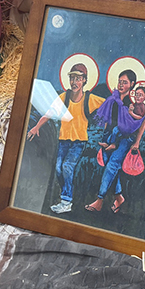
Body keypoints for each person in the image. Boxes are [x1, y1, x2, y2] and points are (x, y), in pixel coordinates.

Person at [27, 63, 104, 214]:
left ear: (84, 81)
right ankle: (65, 196)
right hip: (64, 141)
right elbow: (49, 113)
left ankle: (66, 201)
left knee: (68, 166)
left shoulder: (89, 98)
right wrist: (37, 127)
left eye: (78, 78)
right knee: (58, 168)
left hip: (78, 142)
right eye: (72, 78)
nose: (75, 82)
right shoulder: (64, 97)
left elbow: (107, 105)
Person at [89, 70, 145, 213]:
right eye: (120, 81)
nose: (121, 84)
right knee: (111, 167)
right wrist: (105, 138)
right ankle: (119, 197)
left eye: (125, 82)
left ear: (132, 84)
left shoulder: (131, 103)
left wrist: (137, 142)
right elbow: (107, 119)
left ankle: (99, 200)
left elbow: (143, 120)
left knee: (112, 165)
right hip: (110, 136)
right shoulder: (113, 98)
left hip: (124, 140)